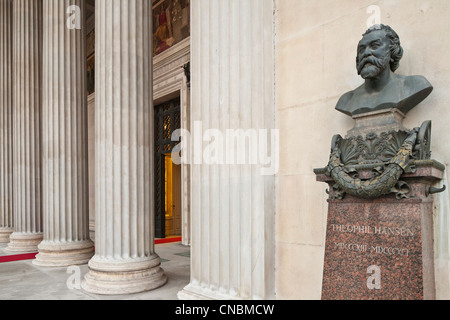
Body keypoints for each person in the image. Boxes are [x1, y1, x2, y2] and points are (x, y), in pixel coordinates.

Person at [335, 24, 433, 117]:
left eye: (375, 46)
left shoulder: (414, 85)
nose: (366, 53)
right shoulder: (347, 100)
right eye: (362, 49)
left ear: (392, 52)